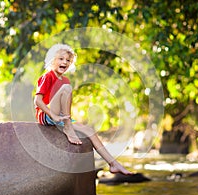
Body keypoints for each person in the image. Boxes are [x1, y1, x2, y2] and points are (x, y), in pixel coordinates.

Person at [34, 43, 133, 175]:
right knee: (67, 89)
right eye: (61, 59)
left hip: (61, 117)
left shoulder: (65, 80)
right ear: (53, 61)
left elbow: (65, 105)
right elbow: (37, 101)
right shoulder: (48, 76)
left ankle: (113, 164)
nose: (65, 62)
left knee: (90, 131)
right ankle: (68, 127)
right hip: (47, 115)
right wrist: (55, 116)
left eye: (68, 60)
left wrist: (64, 118)